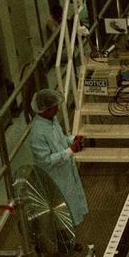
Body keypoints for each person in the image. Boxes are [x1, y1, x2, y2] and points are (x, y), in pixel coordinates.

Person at [29, 88, 88, 232]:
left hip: (65, 172)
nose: (58, 110)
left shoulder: (52, 120)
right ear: (45, 110)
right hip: (54, 178)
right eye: (55, 107)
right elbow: (46, 160)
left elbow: (60, 141)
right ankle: (64, 248)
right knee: (60, 213)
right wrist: (70, 151)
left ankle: (70, 241)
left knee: (70, 209)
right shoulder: (37, 133)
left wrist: (73, 139)